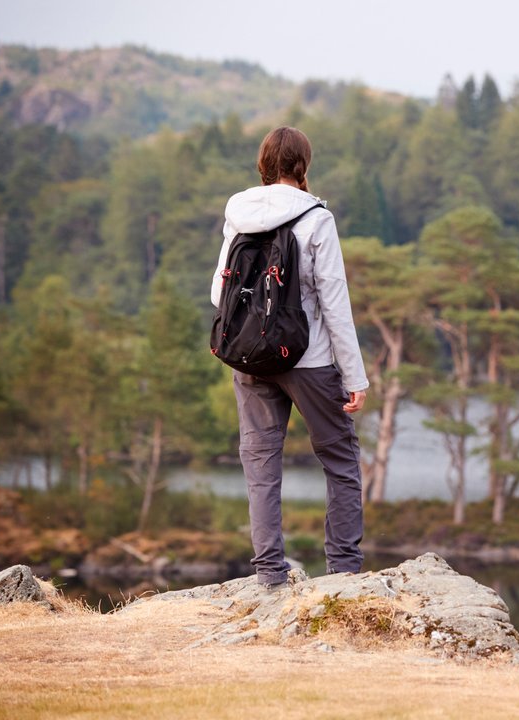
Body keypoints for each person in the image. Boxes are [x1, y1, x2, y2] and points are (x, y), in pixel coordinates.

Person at [211, 126, 369, 588]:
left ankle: (269, 573)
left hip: (249, 360)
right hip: (309, 359)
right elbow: (334, 303)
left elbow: (219, 290)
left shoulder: (238, 214)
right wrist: (355, 376)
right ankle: (343, 571)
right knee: (339, 459)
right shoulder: (317, 218)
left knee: (260, 464)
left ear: (263, 164)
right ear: (303, 166)